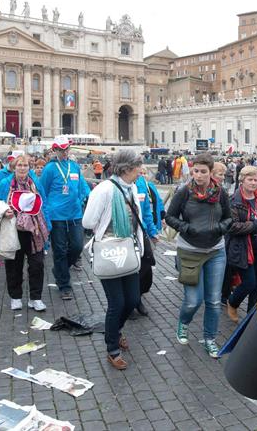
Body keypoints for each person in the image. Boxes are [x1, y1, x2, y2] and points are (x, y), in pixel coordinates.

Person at [82, 150, 145, 370]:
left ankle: (115, 331)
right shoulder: (104, 190)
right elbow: (88, 221)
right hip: (109, 252)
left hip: (128, 250)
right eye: (138, 166)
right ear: (127, 168)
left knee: (132, 299)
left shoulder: (133, 187)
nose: (141, 170)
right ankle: (112, 348)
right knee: (117, 303)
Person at [165, 152, 232, 358]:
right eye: (196, 171)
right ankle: (183, 323)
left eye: (204, 172)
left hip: (216, 251)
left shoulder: (221, 193)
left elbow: (230, 219)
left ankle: (210, 339)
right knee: (194, 300)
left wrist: (219, 228)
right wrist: (186, 228)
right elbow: (169, 216)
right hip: (190, 251)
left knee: (212, 301)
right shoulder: (184, 192)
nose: (199, 176)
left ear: (211, 173)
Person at [0, 154, 52, 311]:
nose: (23, 168)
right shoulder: (5, 183)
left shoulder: (36, 183)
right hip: (13, 229)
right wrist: (5, 211)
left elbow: (43, 202)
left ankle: (35, 297)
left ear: (29, 168)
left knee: (37, 264)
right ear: (14, 167)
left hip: (34, 230)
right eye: (20, 165)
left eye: (25, 165)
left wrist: (47, 225)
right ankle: (16, 296)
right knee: (14, 265)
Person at [39, 136, 90, 300]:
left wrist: (85, 198)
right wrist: (46, 212)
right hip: (56, 216)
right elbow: (42, 192)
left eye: (66, 149)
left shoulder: (74, 166)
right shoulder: (49, 169)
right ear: (55, 150)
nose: (64, 152)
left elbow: (83, 187)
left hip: (75, 214)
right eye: (61, 150)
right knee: (59, 250)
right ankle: (64, 285)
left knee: (77, 246)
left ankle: (60, 270)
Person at [224, 166, 257, 323]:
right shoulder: (234, 201)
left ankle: (251, 319)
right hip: (243, 248)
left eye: (256, 180)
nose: (253, 183)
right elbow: (232, 226)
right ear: (242, 180)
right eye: (250, 179)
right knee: (249, 283)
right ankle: (232, 302)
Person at [133, 165, 164, 316]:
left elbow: (148, 211)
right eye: (140, 172)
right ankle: (134, 300)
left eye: (145, 173)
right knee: (135, 268)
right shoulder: (121, 186)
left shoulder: (146, 186)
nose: (143, 175)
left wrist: (153, 230)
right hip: (128, 234)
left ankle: (137, 296)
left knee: (145, 266)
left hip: (143, 231)